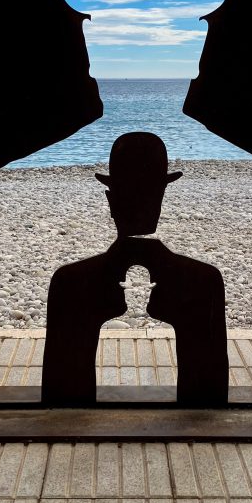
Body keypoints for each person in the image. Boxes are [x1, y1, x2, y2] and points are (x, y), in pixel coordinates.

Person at [42, 132, 228, 406]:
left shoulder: (69, 282)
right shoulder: (203, 280)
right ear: (161, 197)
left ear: (110, 200)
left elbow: (61, 381)